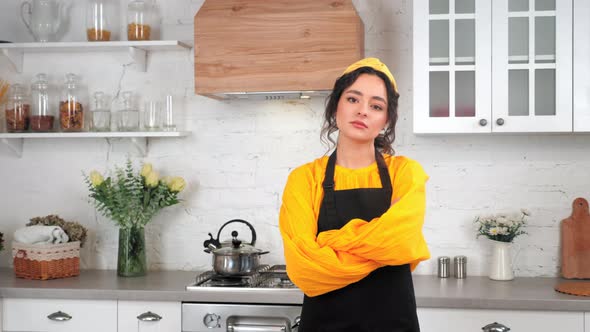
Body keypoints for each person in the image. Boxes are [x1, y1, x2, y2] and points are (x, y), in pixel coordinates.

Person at [279, 57, 430, 332]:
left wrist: (329, 242)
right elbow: (305, 269)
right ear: (336, 105)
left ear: (386, 120)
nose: (363, 111)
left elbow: (401, 241)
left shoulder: (405, 173)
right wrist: (381, 246)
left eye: (376, 106)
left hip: (393, 323)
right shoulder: (304, 178)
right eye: (353, 99)